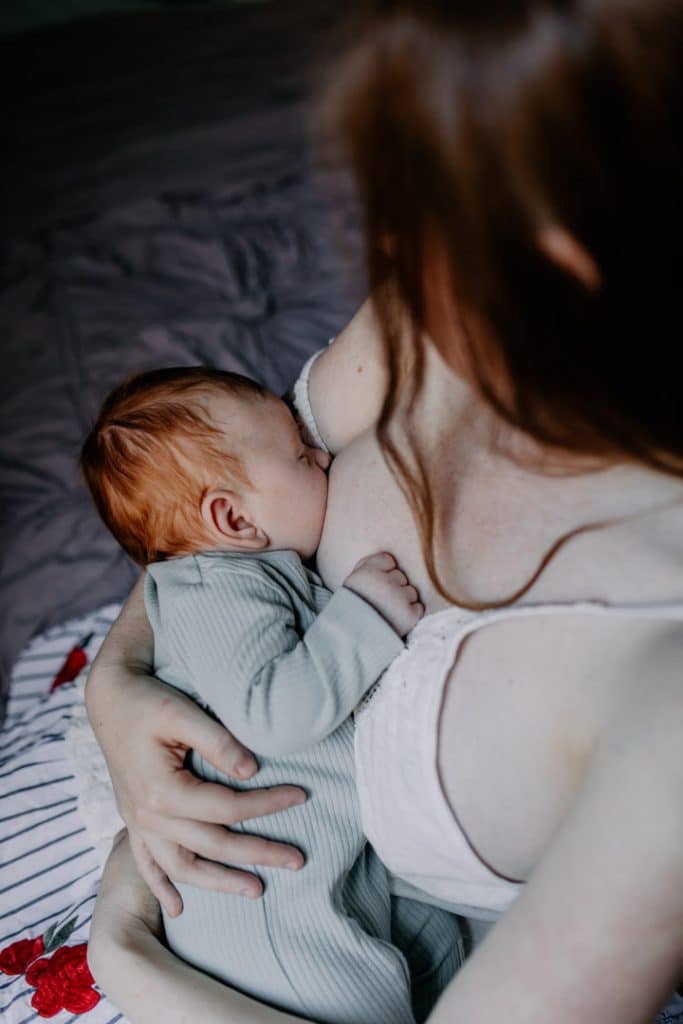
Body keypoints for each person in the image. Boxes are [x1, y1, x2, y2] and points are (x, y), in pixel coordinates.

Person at [85, 1, 683, 1022]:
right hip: (223, 862)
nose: (394, 252)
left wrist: (125, 949)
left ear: (573, 247)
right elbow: (203, 521)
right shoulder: (442, 302)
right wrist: (118, 684)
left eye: (427, 200)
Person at [79, 365, 461, 1024]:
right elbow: (272, 716)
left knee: (445, 952)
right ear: (232, 516)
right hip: (277, 927)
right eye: (299, 454)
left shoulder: (237, 578)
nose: (321, 456)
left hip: (322, 879)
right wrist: (362, 616)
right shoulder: (214, 592)